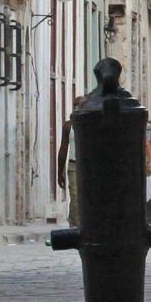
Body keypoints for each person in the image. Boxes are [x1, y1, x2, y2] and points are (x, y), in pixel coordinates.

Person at [56, 96, 86, 226]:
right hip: (74, 165)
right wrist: (60, 171)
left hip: (89, 166)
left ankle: (79, 222)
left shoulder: (93, 124)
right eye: (75, 105)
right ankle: (75, 225)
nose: (77, 107)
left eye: (80, 105)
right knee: (75, 195)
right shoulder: (69, 126)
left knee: (86, 197)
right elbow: (63, 149)